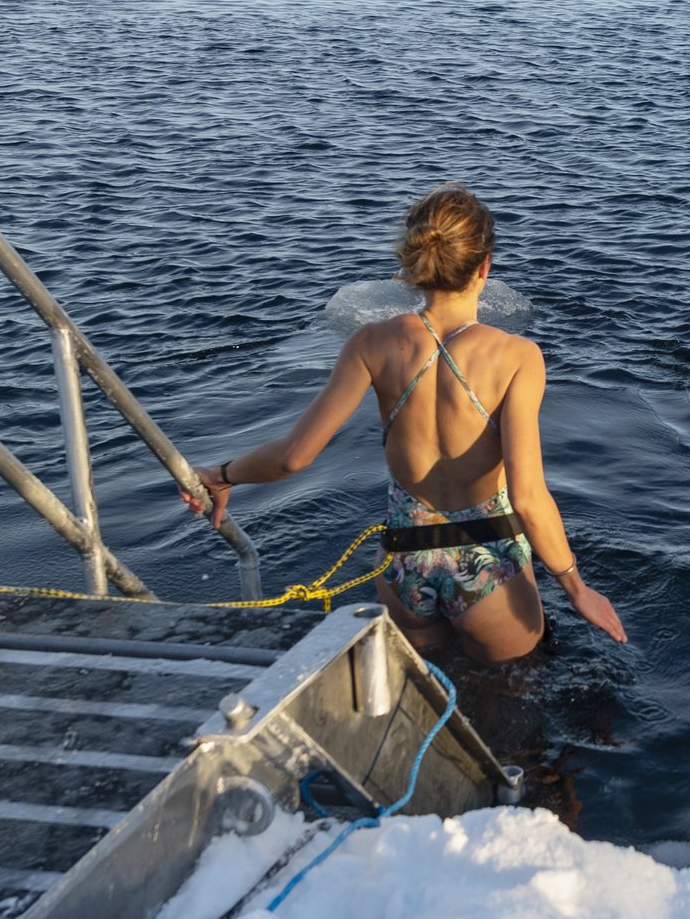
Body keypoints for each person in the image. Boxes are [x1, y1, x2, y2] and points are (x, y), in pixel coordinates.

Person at [186, 186, 627, 661]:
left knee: (427, 691)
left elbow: (294, 457)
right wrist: (577, 587)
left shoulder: (370, 344)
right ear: (484, 266)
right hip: (487, 563)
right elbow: (528, 496)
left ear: (416, 263)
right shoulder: (517, 357)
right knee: (516, 712)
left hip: (404, 564)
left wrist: (221, 474)